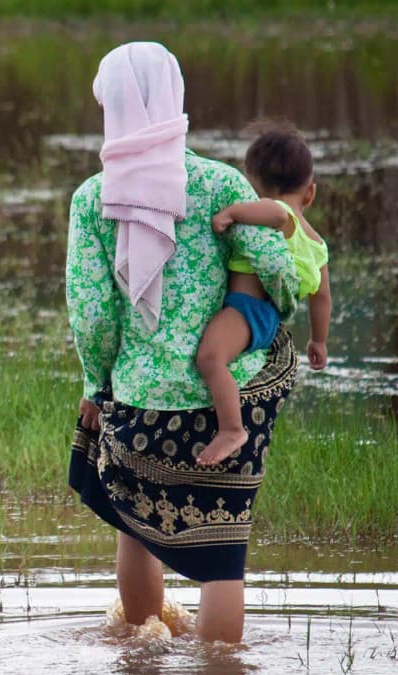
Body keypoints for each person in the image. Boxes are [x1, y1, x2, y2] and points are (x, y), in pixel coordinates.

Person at [65, 42, 300, 644]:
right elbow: (278, 267)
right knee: (223, 555)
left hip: (139, 401)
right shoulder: (222, 183)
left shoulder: (93, 199)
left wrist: (97, 384)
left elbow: (93, 316)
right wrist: (271, 314)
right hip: (227, 398)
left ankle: (142, 658)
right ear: (176, 99)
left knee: (135, 528)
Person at [195, 127, 332, 465]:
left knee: (210, 359)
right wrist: (319, 341)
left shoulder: (276, 213)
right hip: (266, 316)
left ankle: (231, 429)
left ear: (252, 185)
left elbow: (277, 212)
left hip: (245, 311)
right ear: (310, 192)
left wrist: (232, 212)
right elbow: (322, 297)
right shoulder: (317, 244)